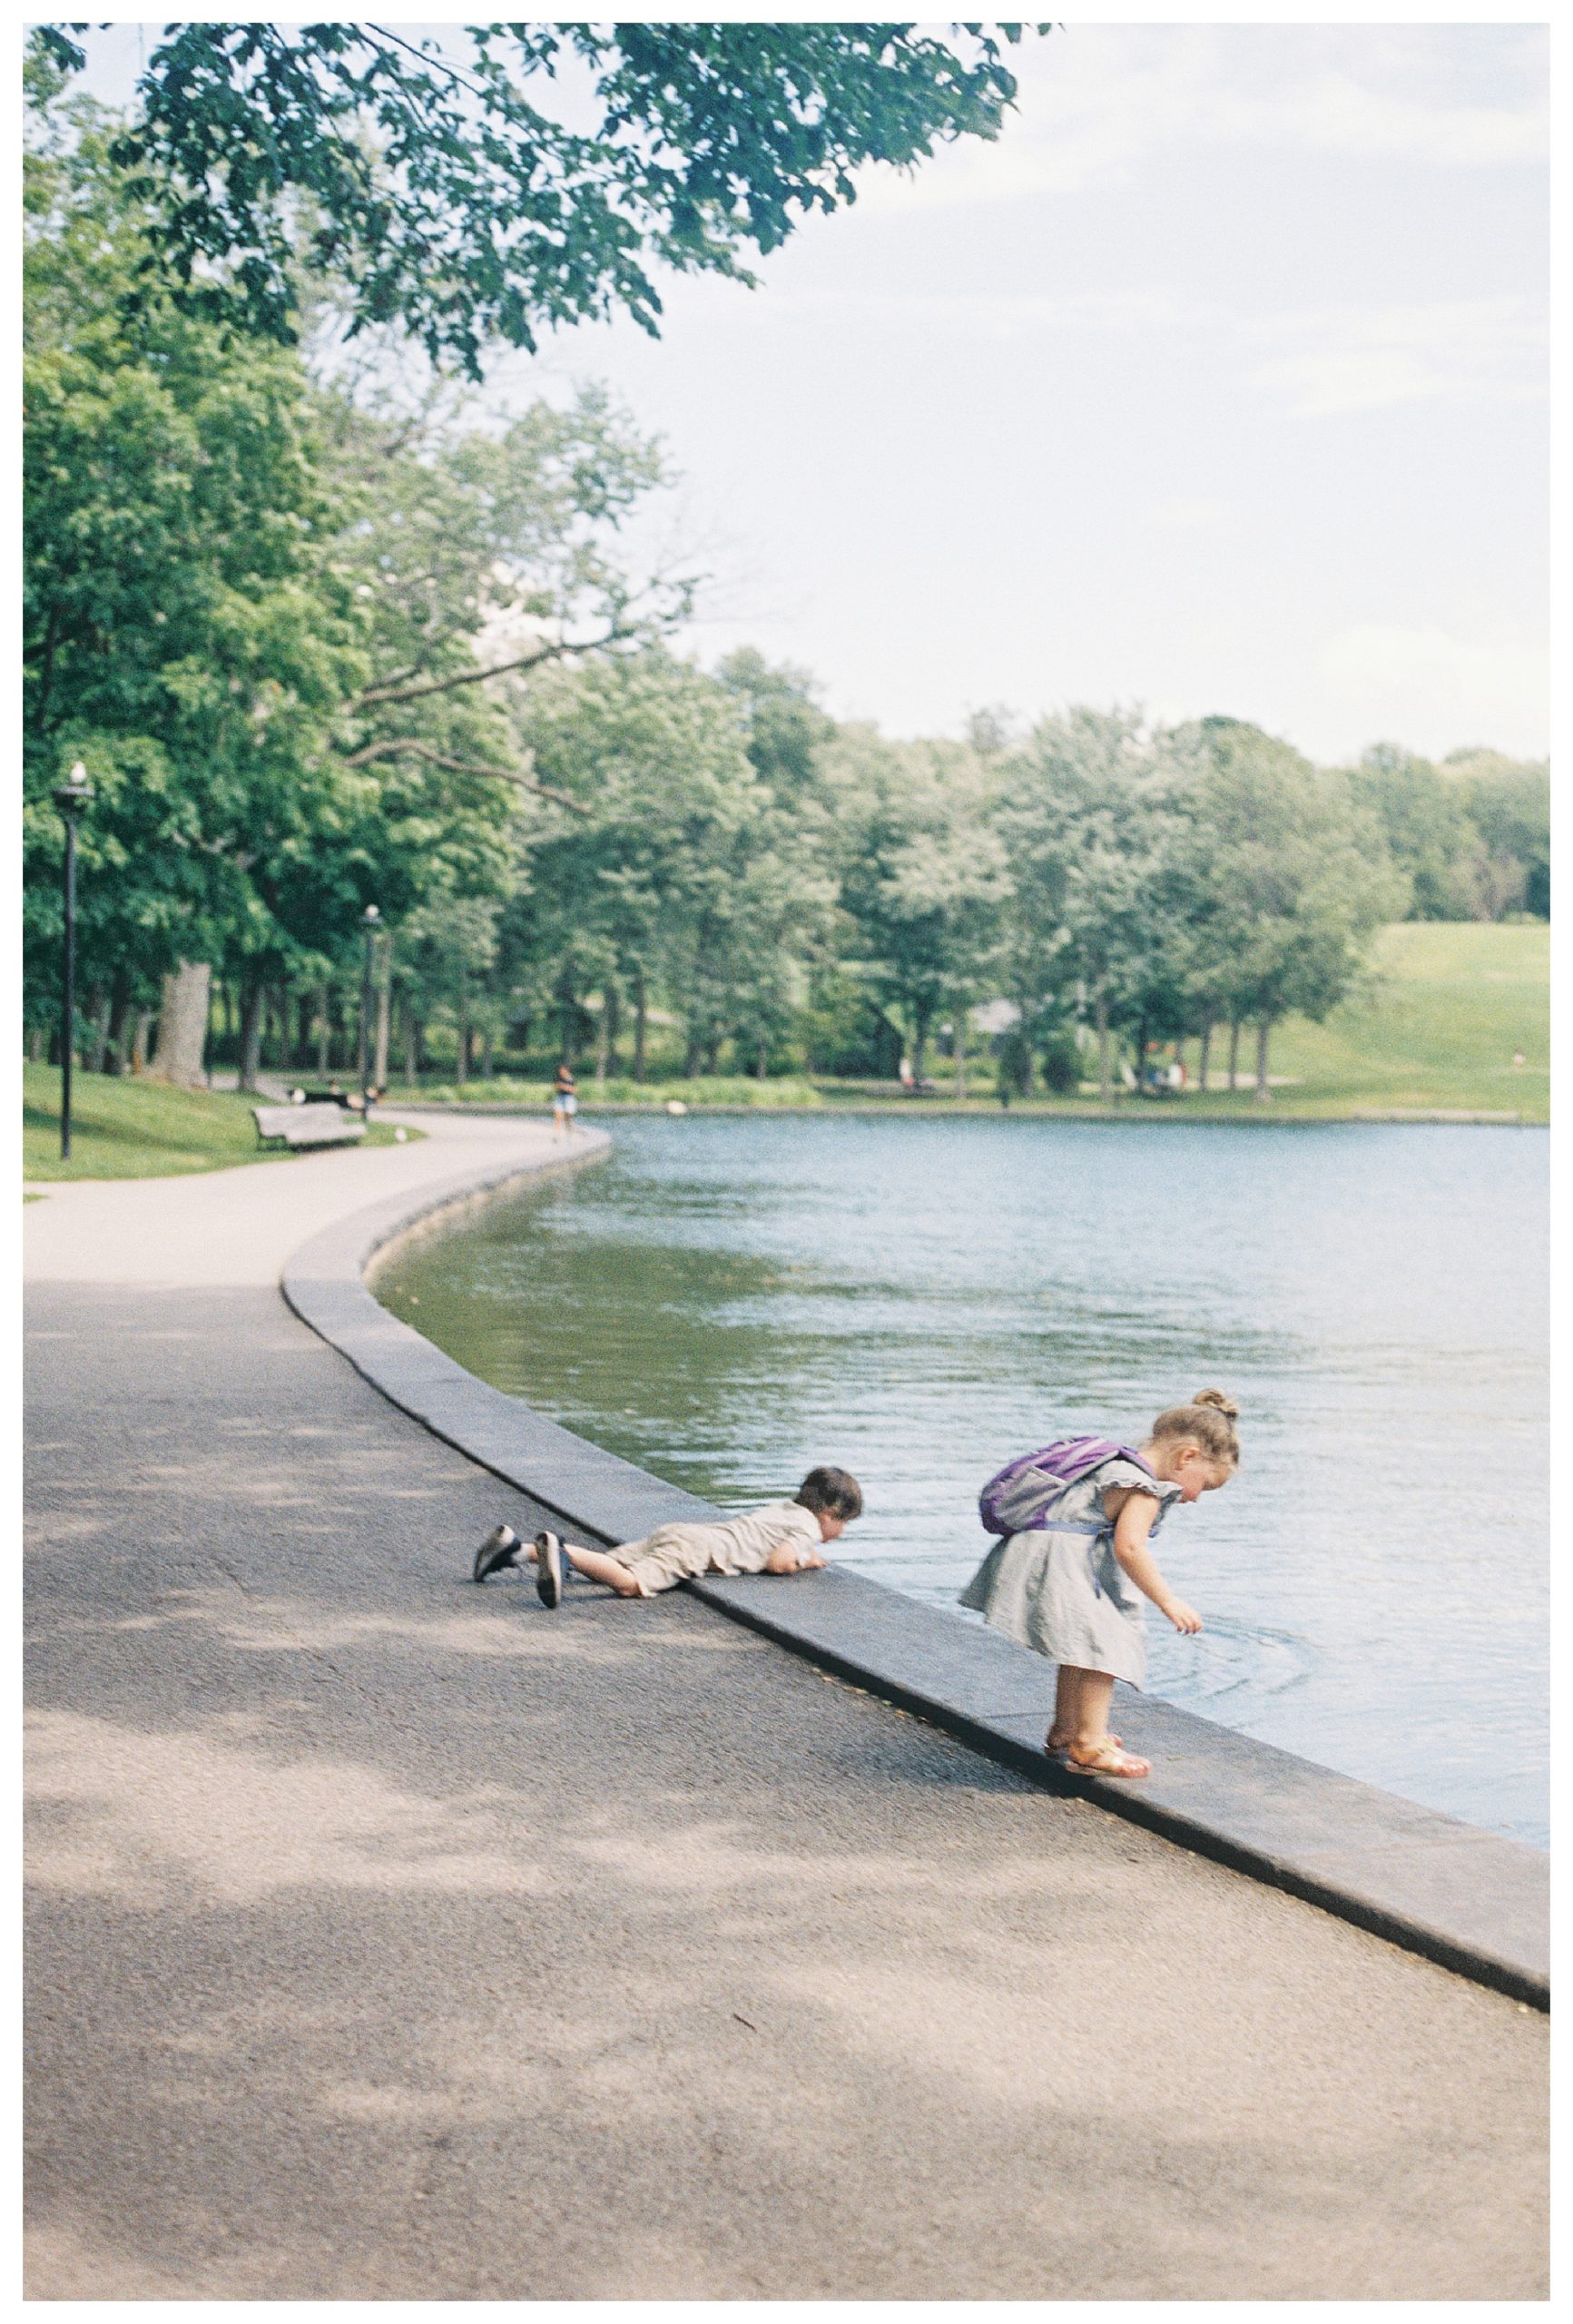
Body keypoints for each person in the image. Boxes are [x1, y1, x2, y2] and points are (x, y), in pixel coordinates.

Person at [959, 1392, 1239, 1779]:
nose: (1194, 1498)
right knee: (1108, 1641)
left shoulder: (1114, 1462)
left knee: (1083, 1645)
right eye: (1204, 1486)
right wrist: (1169, 1601)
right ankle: (1090, 1744)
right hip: (1060, 1561)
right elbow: (1129, 1548)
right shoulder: (1143, 1487)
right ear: (1186, 1457)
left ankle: (1067, 1729)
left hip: (1040, 1554)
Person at [472, 1465, 863, 1606]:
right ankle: (562, 1551)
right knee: (631, 1585)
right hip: (697, 1550)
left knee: (612, 1564)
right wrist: (805, 1560)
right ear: (828, 1513)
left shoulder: (785, 1508)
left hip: (685, 1532)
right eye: (842, 1523)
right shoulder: (807, 1526)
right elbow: (779, 1563)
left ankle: (516, 1551)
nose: (840, 1533)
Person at [551, 1060, 577, 1138]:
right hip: (560, 1098)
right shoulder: (558, 1078)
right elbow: (557, 1086)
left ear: (567, 1070)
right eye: (560, 1070)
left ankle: (570, 1135)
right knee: (558, 1117)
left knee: (568, 1118)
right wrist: (565, 1087)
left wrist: (565, 1087)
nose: (561, 1071)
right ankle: (557, 1135)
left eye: (563, 1070)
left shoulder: (571, 1079)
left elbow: (574, 1090)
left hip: (569, 1099)